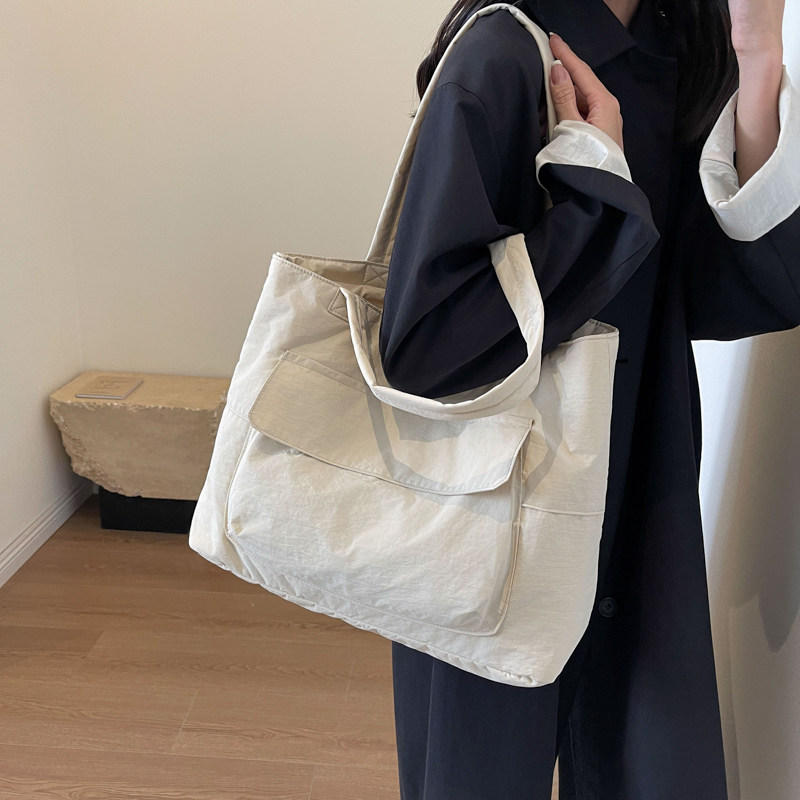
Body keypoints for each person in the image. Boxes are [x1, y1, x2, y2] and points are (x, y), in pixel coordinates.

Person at [378, 0, 799, 798]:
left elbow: (725, 290)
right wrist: (596, 185)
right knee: (478, 772)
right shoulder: (501, 55)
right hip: (492, 514)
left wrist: (757, 55)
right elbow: (428, 348)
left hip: (638, 492)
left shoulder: (679, 44)